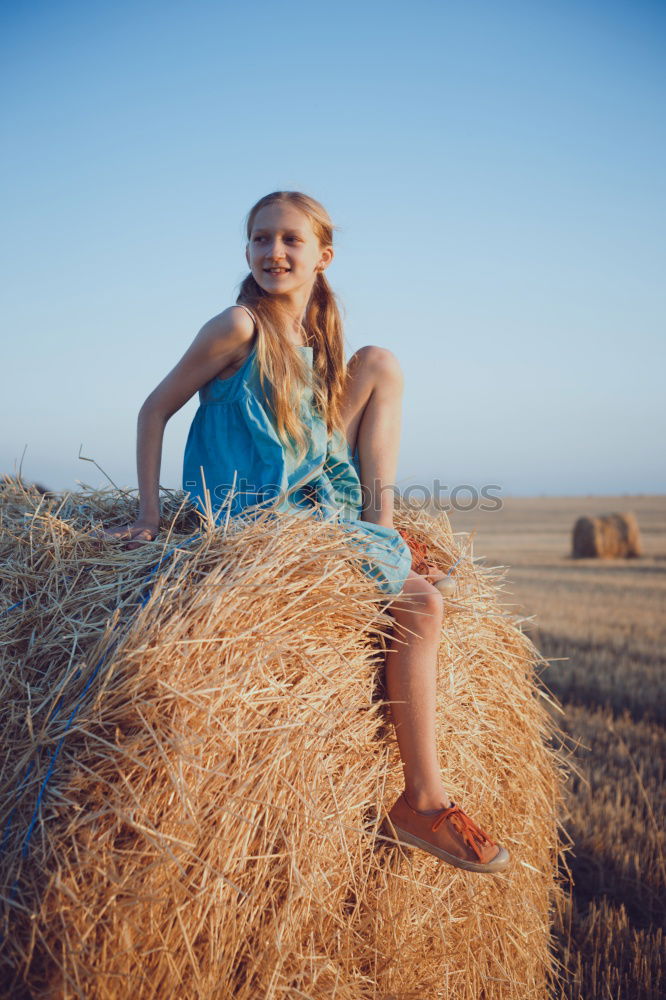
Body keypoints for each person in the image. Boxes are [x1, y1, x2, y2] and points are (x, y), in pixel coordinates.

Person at [102, 190, 509, 874]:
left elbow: (315, 441)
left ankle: (380, 536)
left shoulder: (318, 342)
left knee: (381, 362)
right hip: (259, 519)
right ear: (248, 252)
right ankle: (423, 801)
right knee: (424, 605)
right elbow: (153, 410)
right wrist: (150, 516)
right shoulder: (237, 326)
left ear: (324, 257)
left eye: (290, 240)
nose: (274, 252)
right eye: (261, 240)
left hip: (309, 498)